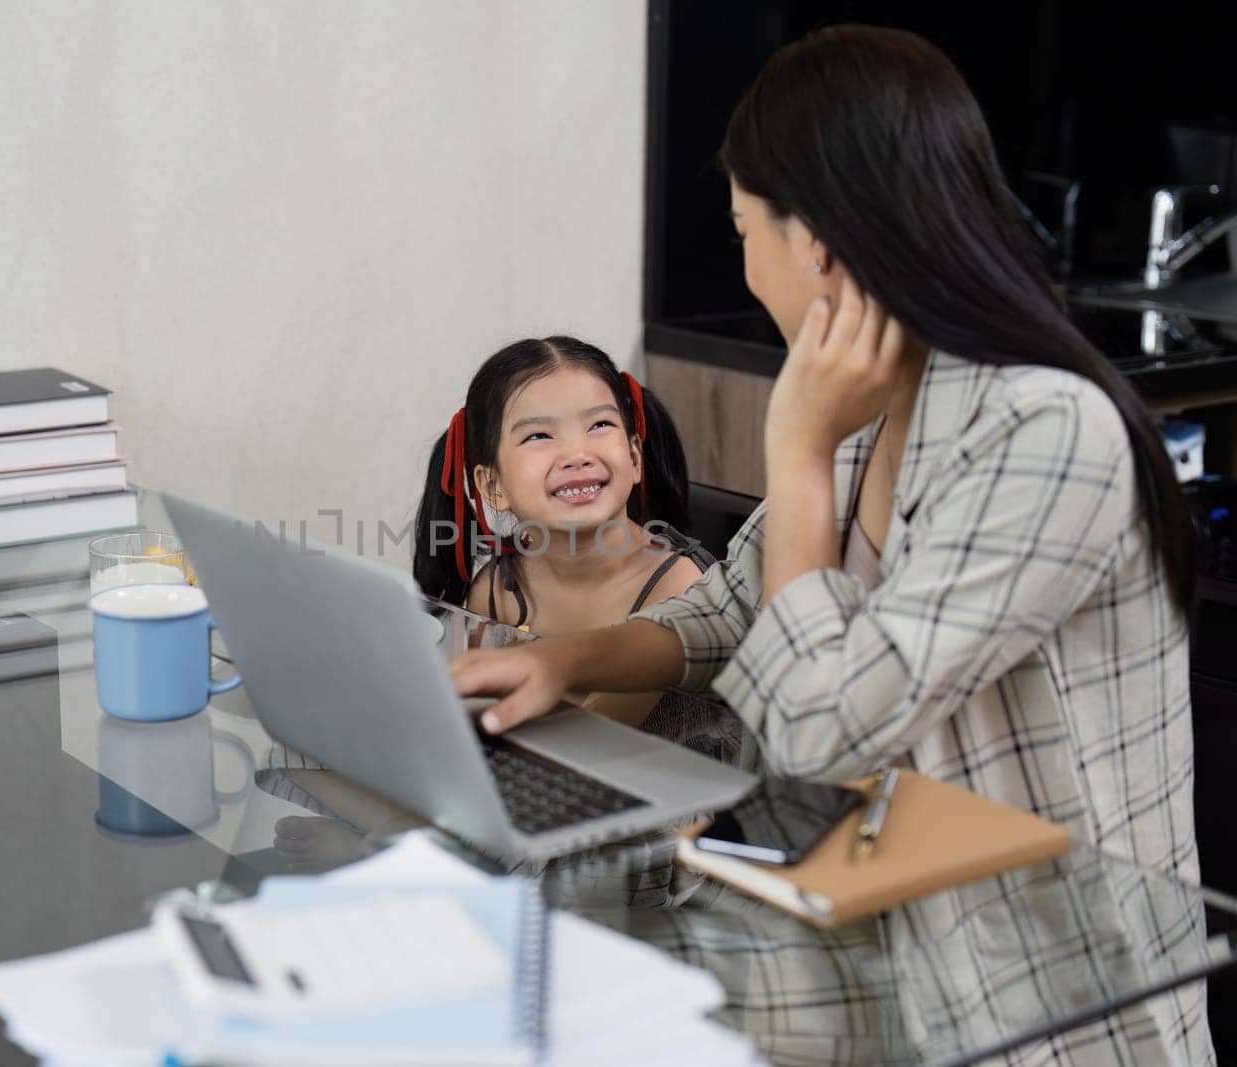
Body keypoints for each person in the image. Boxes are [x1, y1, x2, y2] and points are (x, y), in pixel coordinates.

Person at [449, 25, 1207, 1064]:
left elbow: (821, 730)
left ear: (815, 245)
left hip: (1050, 993)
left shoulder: (1043, 430)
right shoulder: (884, 404)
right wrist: (564, 657)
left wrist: (797, 450)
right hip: (887, 939)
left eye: (743, 231)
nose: (748, 267)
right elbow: (733, 611)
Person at [410, 336, 743, 755]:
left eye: (600, 425)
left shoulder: (679, 588)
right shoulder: (497, 587)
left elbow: (583, 748)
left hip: (674, 812)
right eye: (538, 436)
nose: (577, 453)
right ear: (492, 487)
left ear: (635, 458)